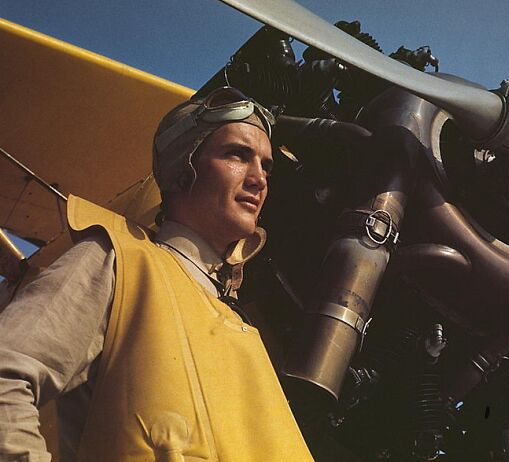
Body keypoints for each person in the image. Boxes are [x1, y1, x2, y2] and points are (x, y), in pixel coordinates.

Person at [0, 87, 313, 461]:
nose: (259, 179)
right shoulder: (118, 261)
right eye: (237, 155)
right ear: (183, 169)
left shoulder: (242, 327)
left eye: (266, 165)